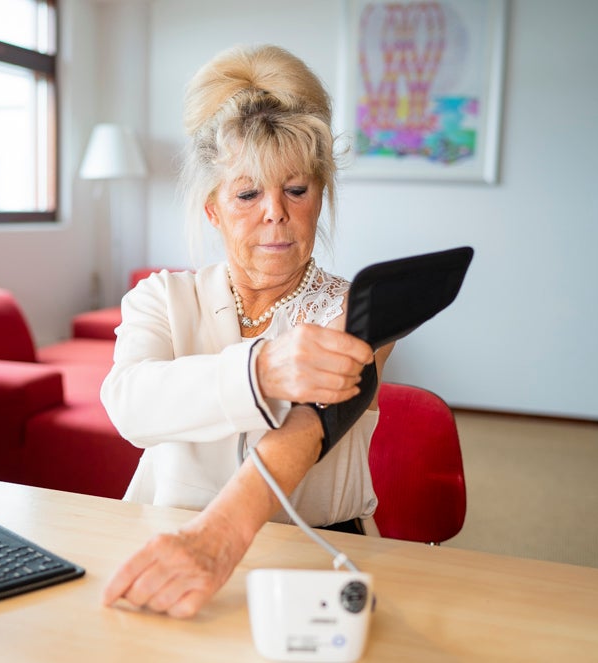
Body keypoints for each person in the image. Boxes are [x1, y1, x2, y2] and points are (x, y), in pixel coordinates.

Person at [99, 44, 393, 619]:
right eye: (248, 193)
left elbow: (308, 430)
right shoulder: (162, 298)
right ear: (214, 208)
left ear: (320, 196)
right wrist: (261, 370)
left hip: (318, 559)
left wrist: (220, 537)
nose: (275, 212)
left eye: (296, 189)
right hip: (168, 542)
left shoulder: (361, 309)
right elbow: (129, 404)